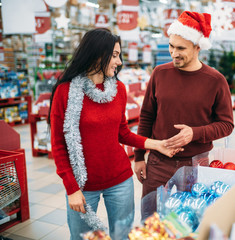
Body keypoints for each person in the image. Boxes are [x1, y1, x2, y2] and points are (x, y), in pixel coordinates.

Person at [49, 28, 182, 240]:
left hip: (120, 182)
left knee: (123, 236)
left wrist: (157, 144)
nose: (119, 62)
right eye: (114, 55)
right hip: (82, 187)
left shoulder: (118, 89)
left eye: (119, 55)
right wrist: (71, 188)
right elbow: (58, 145)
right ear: (96, 54)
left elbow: (122, 133)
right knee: (83, 237)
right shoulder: (65, 92)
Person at [134, 11, 234, 219]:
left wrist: (194, 133)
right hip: (158, 163)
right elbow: (146, 116)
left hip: (195, 166)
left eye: (181, 48)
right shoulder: (160, 74)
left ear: (198, 47)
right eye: (171, 46)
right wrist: (138, 157)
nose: (173, 53)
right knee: (150, 221)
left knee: (189, 222)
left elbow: (226, 124)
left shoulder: (215, 80)